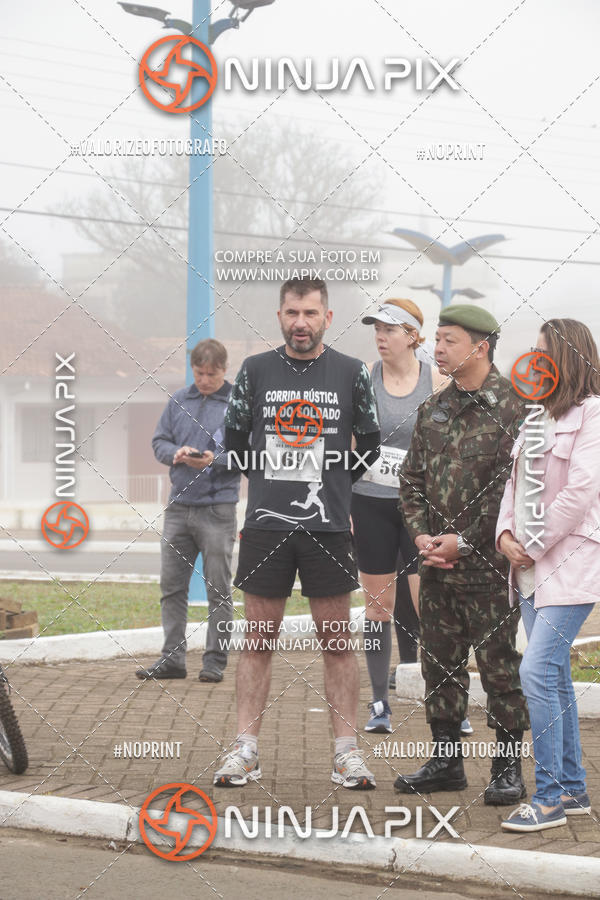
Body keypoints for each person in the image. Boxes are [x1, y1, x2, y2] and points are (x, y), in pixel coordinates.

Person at [213, 276, 381, 789]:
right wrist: (270, 482)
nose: (300, 323)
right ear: (279, 316)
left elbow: (370, 443)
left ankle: (346, 753)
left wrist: (331, 481)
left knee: (337, 641)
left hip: (328, 527)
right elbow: (235, 442)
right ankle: (245, 749)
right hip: (266, 526)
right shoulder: (255, 370)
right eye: (292, 313)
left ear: (327, 318)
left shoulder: (352, 373)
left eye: (310, 313)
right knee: (258, 639)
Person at [395, 304, 530, 804]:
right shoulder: (434, 409)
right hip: (437, 568)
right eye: (437, 339)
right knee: (439, 664)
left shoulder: (517, 408)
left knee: (499, 666)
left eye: (448, 340)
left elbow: (513, 490)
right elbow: (411, 482)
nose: (437, 348)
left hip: (491, 568)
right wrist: (422, 538)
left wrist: (467, 541)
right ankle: (447, 762)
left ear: (480, 346)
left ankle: (506, 768)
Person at [498, 319, 600, 832]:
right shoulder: (535, 415)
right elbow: (514, 487)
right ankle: (575, 790)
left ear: (568, 357)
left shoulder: (593, 415)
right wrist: (505, 537)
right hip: (530, 570)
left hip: (571, 563)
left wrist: (530, 544)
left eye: (543, 351)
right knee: (554, 676)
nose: (534, 359)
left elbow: (580, 493)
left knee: (535, 672)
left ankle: (551, 796)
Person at [350, 299, 445, 733]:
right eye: (376, 329)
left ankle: (446, 703)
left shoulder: (437, 381)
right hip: (370, 503)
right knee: (377, 608)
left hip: (420, 511)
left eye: (389, 329)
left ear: (412, 335)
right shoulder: (364, 380)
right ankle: (378, 705)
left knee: (429, 605)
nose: (380, 337)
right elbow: (350, 445)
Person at [136, 339, 240, 683]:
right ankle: (172, 660)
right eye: (199, 373)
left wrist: (215, 459)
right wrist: (175, 453)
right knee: (172, 587)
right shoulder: (178, 401)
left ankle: (214, 661)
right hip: (179, 508)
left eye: (211, 374)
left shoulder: (239, 403)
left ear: (225, 370)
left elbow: (250, 453)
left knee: (218, 589)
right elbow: (158, 442)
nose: (205, 380)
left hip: (218, 509)